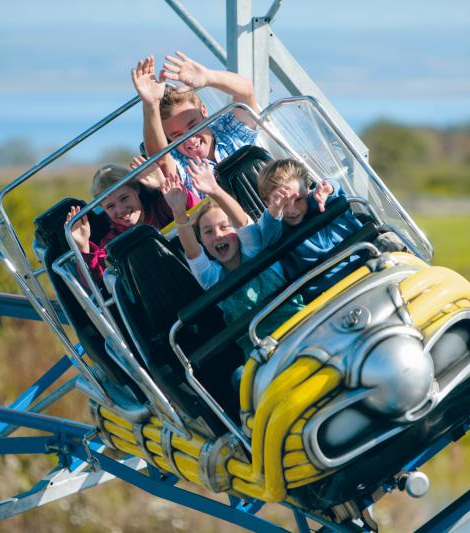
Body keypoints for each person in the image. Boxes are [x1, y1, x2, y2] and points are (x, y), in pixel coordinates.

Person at [162, 157, 302, 353]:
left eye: (224, 227)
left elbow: (242, 221)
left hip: (298, 325)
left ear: (236, 232)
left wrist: (215, 191)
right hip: (260, 348)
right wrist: (178, 211)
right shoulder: (211, 278)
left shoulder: (255, 249)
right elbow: (192, 252)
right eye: (208, 232)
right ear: (202, 240)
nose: (218, 235)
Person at [131, 53, 260, 198]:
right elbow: (160, 159)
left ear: (203, 111)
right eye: (177, 136)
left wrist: (209, 77)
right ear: (167, 137)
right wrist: (150, 105)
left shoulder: (228, 129)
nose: (191, 141)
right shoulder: (178, 162)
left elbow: (246, 92)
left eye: (193, 127)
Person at [66, 160, 196, 283]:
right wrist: (83, 246)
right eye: (110, 206)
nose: (121, 209)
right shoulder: (111, 242)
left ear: (136, 189)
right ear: (103, 209)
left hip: (192, 273)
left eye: (124, 198)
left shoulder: (161, 208)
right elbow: (99, 281)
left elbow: (193, 210)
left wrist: (162, 185)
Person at [255, 159, 364, 298]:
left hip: (364, 262)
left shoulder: (316, 201)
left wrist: (328, 189)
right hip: (326, 293)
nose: (292, 210)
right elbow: (267, 230)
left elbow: (333, 187)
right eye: (283, 204)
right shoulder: (275, 227)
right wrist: (275, 211)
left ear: (307, 189)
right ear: (268, 204)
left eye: (298, 199)